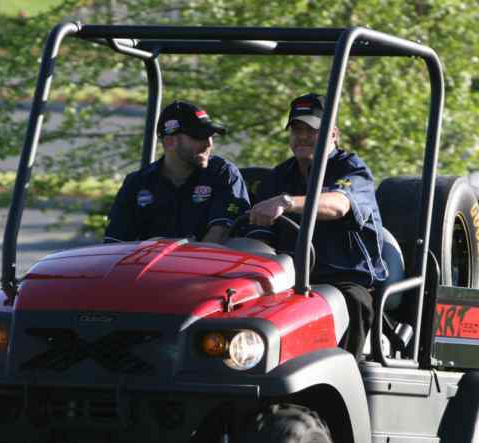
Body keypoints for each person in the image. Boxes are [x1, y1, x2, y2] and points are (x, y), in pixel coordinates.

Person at [249, 93, 388, 358]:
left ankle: (342, 379)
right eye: (297, 129)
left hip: (343, 281)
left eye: (312, 130)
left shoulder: (350, 169)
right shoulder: (279, 176)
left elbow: (340, 204)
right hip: (289, 281)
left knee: (352, 302)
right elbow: (259, 238)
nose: (302, 136)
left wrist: (287, 202)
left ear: (333, 134)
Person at [104, 101, 250, 244]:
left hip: (206, 266)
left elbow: (220, 234)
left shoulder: (223, 173)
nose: (209, 144)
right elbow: (114, 244)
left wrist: (184, 263)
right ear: (169, 142)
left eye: (211, 136)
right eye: (199, 136)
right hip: (149, 266)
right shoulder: (136, 182)